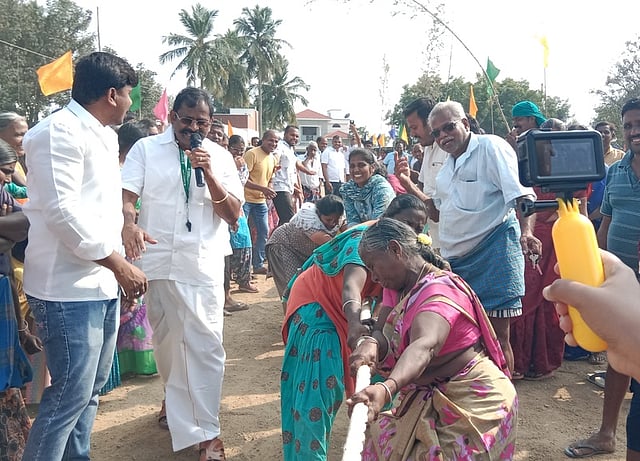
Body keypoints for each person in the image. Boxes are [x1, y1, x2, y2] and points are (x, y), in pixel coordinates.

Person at [22, 51, 148, 461]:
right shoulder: (57, 132)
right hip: (66, 287)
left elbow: (97, 208)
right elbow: (63, 214)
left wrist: (125, 237)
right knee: (68, 395)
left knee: (89, 391)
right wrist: (118, 264)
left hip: (100, 282)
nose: (130, 103)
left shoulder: (103, 135)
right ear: (112, 95)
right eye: (128, 94)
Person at [121, 86, 243, 461]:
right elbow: (127, 196)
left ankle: (208, 435)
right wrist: (128, 223)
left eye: (201, 122)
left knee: (206, 346)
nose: (192, 128)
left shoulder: (220, 157)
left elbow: (233, 214)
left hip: (201, 263)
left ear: (211, 123)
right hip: (156, 260)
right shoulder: (145, 150)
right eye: (186, 120)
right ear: (173, 116)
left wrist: (209, 173)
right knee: (168, 343)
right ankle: (174, 403)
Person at [346, 218, 517, 460]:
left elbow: (424, 346)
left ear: (395, 250)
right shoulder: (403, 289)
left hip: (473, 404)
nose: (373, 277)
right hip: (430, 397)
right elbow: (386, 335)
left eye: (374, 266)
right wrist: (373, 344)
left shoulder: (439, 291)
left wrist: (387, 388)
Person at [279, 194, 430, 461]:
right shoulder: (365, 240)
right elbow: (351, 286)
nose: (411, 232)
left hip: (350, 313)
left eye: (418, 228)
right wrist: (355, 324)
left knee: (378, 367)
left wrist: (374, 334)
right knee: (318, 391)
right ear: (387, 220)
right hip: (317, 306)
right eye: (406, 224)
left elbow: (387, 302)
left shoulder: (406, 251)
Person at [399, 100, 539, 374]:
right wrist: (408, 185)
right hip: (457, 263)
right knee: (467, 340)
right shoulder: (446, 169)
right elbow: (435, 212)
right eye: (437, 132)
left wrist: (527, 232)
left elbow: (522, 196)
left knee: (497, 340)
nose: (443, 136)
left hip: (494, 254)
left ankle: (503, 398)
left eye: (448, 127)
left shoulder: (491, 148)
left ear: (465, 123)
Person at [562, 98, 640, 460]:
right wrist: (597, 270)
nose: (634, 131)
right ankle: (607, 434)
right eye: (629, 125)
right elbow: (605, 222)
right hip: (620, 283)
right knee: (618, 356)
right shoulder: (617, 171)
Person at [0, 138, 36, 461]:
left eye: (11, 171)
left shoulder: (4, 196)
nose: (8, 179)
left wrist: (22, 328)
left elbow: (25, 224)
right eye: (4, 170)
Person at [265, 194, 344, 304]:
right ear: (319, 214)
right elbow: (331, 243)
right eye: (328, 219)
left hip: (302, 250)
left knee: (306, 286)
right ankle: (290, 314)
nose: (333, 223)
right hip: (283, 245)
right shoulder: (308, 219)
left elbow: (349, 231)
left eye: (336, 219)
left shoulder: (341, 218)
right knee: (291, 288)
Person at [397, 97, 448, 251]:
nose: (412, 134)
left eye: (414, 127)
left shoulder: (449, 151)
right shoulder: (428, 149)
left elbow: (436, 212)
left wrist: (407, 183)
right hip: (436, 240)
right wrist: (408, 177)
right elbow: (422, 188)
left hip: (454, 241)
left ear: (430, 122)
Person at [225, 134, 257, 313]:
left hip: (239, 208)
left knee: (245, 243)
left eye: (241, 150)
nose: (238, 153)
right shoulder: (223, 162)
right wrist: (232, 167)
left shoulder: (242, 164)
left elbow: (242, 183)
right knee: (228, 249)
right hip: (225, 208)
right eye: (234, 149)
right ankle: (228, 289)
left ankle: (243, 279)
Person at [243, 130, 278, 275]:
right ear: (263, 140)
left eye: (276, 141)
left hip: (261, 201)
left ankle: (258, 264)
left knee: (264, 231)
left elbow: (270, 179)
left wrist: (269, 189)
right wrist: (263, 188)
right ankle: (239, 268)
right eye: (271, 140)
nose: (273, 144)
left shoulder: (273, 159)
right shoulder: (252, 154)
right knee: (242, 234)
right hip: (245, 200)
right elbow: (243, 179)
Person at [340, 148, 395, 228]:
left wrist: (355, 231)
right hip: (361, 232)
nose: (356, 170)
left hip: (384, 230)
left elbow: (379, 221)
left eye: (361, 165)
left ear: (372, 168)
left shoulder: (382, 188)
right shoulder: (348, 189)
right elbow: (352, 220)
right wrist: (354, 232)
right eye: (352, 166)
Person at [272, 125, 316, 225]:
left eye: (297, 136)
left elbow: (296, 164)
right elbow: (275, 157)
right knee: (288, 219)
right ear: (285, 135)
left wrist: (308, 172)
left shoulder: (290, 149)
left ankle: (278, 235)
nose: (294, 138)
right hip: (279, 187)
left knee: (285, 219)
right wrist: (275, 164)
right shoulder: (280, 146)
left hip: (288, 187)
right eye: (292, 135)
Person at [0, 112, 28, 187]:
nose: (25, 140)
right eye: (18, 135)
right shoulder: (4, 169)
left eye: (27, 135)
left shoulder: (18, 164)